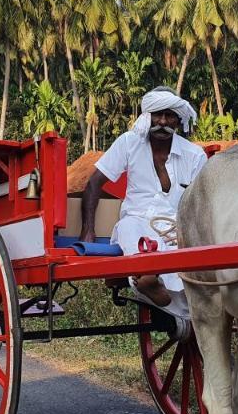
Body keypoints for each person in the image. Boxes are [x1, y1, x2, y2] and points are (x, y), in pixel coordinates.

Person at [79, 86, 205, 312]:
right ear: (147, 116)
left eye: (169, 115)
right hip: (137, 222)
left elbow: (201, 205)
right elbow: (94, 184)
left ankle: (168, 293)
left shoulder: (194, 155)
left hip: (176, 230)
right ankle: (148, 278)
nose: (163, 121)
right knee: (128, 228)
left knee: (189, 255)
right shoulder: (129, 143)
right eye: (157, 114)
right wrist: (88, 229)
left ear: (178, 120)